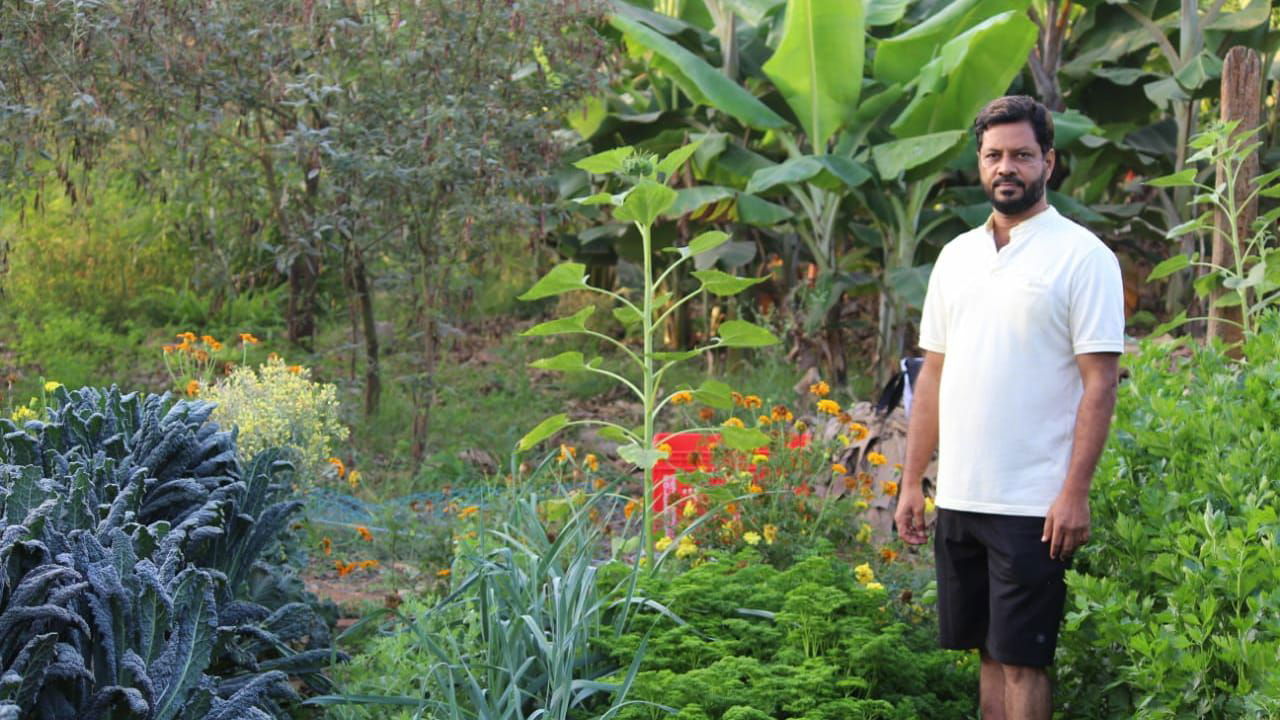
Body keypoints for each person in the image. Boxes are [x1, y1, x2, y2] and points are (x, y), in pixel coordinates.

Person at [894, 95, 1124, 720]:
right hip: (963, 496)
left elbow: (1100, 384)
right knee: (988, 656)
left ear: (1048, 161)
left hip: (1034, 505)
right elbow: (932, 374)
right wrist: (912, 481)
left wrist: (1074, 493)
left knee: (1024, 661)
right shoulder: (956, 257)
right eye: (994, 155)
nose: (1007, 167)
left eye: (1022, 155)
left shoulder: (1083, 257)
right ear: (980, 162)